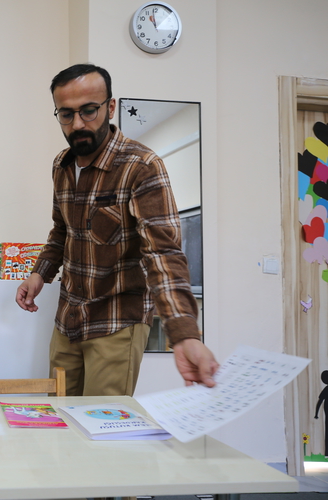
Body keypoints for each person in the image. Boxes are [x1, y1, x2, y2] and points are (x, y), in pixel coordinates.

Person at [15, 63, 218, 397]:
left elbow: (163, 253)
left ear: (110, 107)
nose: (77, 124)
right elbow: (62, 230)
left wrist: (185, 333)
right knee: (58, 417)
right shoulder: (61, 165)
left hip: (116, 322)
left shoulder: (141, 167)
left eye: (88, 110)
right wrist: (39, 274)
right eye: (66, 114)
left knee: (100, 423)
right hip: (68, 318)